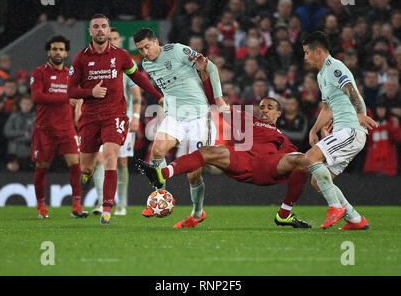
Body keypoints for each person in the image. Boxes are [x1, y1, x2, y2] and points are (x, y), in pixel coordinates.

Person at [134, 55, 312, 229]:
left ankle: (285, 213)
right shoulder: (247, 119)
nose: (264, 110)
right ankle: (163, 173)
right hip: (243, 160)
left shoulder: (282, 137)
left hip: (269, 166)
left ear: (278, 114)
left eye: (270, 107)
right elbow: (215, 103)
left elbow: (297, 165)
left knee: (303, 160)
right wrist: (205, 74)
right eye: (262, 106)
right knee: (208, 151)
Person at [67, 14, 163, 225]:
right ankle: (87, 173)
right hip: (90, 118)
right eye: (96, 27)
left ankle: (107, 208)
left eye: (104, 26)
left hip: (115, 116)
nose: (100, 30)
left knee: (112, 156)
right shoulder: (81, 58)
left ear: (109, 30)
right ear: (90, 32)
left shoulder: (120, 55)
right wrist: (90, 92)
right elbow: (70, 90)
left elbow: (137, 78)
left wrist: (158, 96)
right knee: (87, 166)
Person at [133, 28, 227, 226]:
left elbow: (210, 68)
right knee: (157, 152)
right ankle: (160, 199)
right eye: (141, 49)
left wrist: (218, 99)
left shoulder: (177, 50)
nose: (145, 53)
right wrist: (164, 101)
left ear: (156, 41)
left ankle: (197, 212)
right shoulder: (147, 65)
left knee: (194, 173)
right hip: (175, 116)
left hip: (199, 116)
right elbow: (169, 87)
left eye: (147, 47)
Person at [302, 31, 377, 230]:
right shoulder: (320, 75)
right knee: (318, 182)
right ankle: (354, 218)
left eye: (307, 53)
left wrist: (360, 113)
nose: (305, 58)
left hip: (351, 130)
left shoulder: (334, 66)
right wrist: (314, 130)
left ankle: (335, 207)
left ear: (318, 51)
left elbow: (351, 90)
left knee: (311, 158)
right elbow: (327, 109)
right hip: (343, 132)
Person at [30, 34, 87, 219]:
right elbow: (37, 97)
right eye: (54, 48)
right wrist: (66, 98)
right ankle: (41, 207)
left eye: (61, 49)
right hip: (44, 128)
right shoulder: (39, 72)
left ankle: (76, 207)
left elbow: (78, 96)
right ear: (48, 51)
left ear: (66, 53)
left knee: (75, 166)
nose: (57, 52)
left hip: (67, 128)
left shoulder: (71, 74)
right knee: (42, 167)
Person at [89, 27, 142, 216]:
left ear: (120, 41)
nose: (111, 41)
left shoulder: (126, 66)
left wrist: (135, 117)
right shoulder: (94, 64)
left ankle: (121, 204)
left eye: (115, 38)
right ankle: (103, 202)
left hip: (123, 119)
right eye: (109, 38)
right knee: (99, 159)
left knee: (121, 161)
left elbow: (136, 97)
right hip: (99, 119)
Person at [3, 94, 35, 173]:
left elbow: (31, 137)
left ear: (32, 105)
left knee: (27, 178)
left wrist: (14, 138)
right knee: (9, 178)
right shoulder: (14, 116)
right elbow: (7, 132)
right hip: (12, 153)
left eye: (28, 104)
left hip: (27, 155)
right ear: (20, 104)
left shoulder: (36, 117)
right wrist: (23, 133)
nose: (26, 106)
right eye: (24, 103)